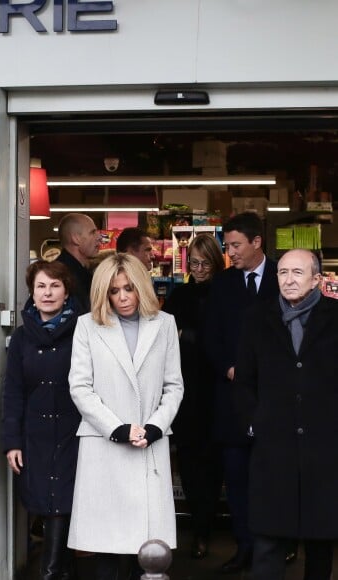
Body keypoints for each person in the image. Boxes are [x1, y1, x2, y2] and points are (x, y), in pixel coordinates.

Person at [67, 253, 183, 580]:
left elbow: (174, 385)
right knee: (104, 545)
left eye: (129, 289)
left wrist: (156, 426)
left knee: (146, 548)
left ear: (141, 288)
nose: (122, 298)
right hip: (104, 445)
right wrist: (115, 428)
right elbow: (80, 386)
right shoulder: (87, 326)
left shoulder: (164, 324)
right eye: (114, 291)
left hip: (149, 443)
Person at [235, 249, 336, 580]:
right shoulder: (256, 317)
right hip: (273, 444)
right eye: (282, 273)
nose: (289, 279)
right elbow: (244, 379)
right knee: (268, 539)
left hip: (324, 446)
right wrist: (254, 422)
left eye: (298, 272)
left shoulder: (334, 316)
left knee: (322, 540)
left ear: (316, 279)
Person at [205, 211, 279, 573]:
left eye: (235, 245)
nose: (229, 252)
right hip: (232, 397)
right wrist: (229, 367)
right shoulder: (222, 285)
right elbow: (211, 337)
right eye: (226, 245)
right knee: (236, 477)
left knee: (274, 477)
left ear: (256, 243)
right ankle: (244, 546)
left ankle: (278, 544)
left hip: (275, 399)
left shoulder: (284, 278)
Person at [2, 260, 81, 580]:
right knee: (45, 504)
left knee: (63, 503)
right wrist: (12, 442)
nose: (48, 293)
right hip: (35, 434)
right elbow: (13, 392)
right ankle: (61, 572)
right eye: (41, 287)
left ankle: (50, 573)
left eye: (55, 286)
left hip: (74, 432)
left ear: (66, 292)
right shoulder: (22, 337)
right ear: (32, 294)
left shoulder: (84, 330)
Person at [163, 233, 224, 560]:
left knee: (212, 464)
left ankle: (205, 528)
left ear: (216, 261)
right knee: (188, 462)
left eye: (205, 263)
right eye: (194, 263)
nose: (199, 269)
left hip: (216, 390)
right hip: (185, 390)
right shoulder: (180, 294)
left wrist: (190, 337)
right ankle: (200, 528)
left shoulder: (225, 292)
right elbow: (168, 336)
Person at [56, 213, 101, 314]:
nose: (99, 237)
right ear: (76, 238)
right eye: (92, 232)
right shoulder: (60, 276)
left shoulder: (83, 272)